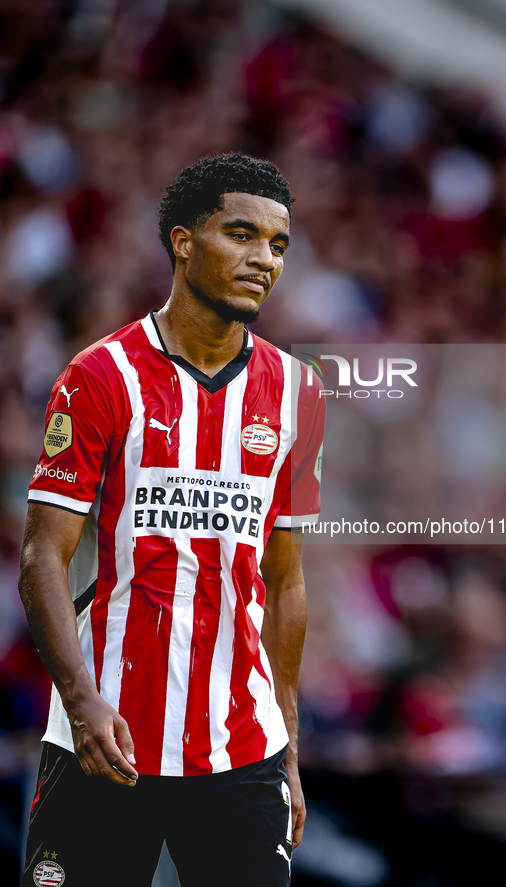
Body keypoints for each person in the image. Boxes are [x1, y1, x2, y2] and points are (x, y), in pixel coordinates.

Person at [18, 153, 324, 887]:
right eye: (242, 234)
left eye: (277, 245)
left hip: (240, 744)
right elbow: (41, 559)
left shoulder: (296, 392)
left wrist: (285, 736)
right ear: (184, 242)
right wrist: (82, 701)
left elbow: (284, 580)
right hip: (105, 736)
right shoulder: (101, 375)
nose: (262, 259)